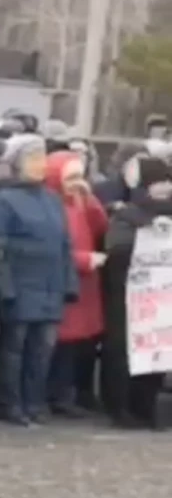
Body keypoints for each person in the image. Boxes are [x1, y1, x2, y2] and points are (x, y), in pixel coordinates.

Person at [0, 134, 77, 427]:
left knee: (43, 350)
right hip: (21, 283)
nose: (39, 165)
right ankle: (10, 402)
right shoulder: (5, 199)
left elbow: (64, 245)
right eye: (32, 158)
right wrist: (6, 287)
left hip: (50, 286)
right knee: (15, 348)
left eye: (42, 158)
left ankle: (34, 401)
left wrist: (69, 284)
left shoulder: (52, 199)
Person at [101, 157, 172, 430]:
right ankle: (120, 406)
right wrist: (148, 241)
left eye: (167, 181)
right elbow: (116, 251)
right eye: (158, 182)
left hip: (162, 295)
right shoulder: (128, 215)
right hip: (129, 293)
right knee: (123, 352)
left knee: (158, 351)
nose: (165, 188)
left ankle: (147, 407)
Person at [43, 151, 108, 417]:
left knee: (76, 345)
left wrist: (89, 198)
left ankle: (67, 394)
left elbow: (100, 226)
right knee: (59, 345)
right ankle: (54, 395)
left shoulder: (78, 203)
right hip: (65, 279)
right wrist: (83, 260)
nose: (75, 182)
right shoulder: (52, 206)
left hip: (84, 283)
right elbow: (51, 248)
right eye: (71, 177)